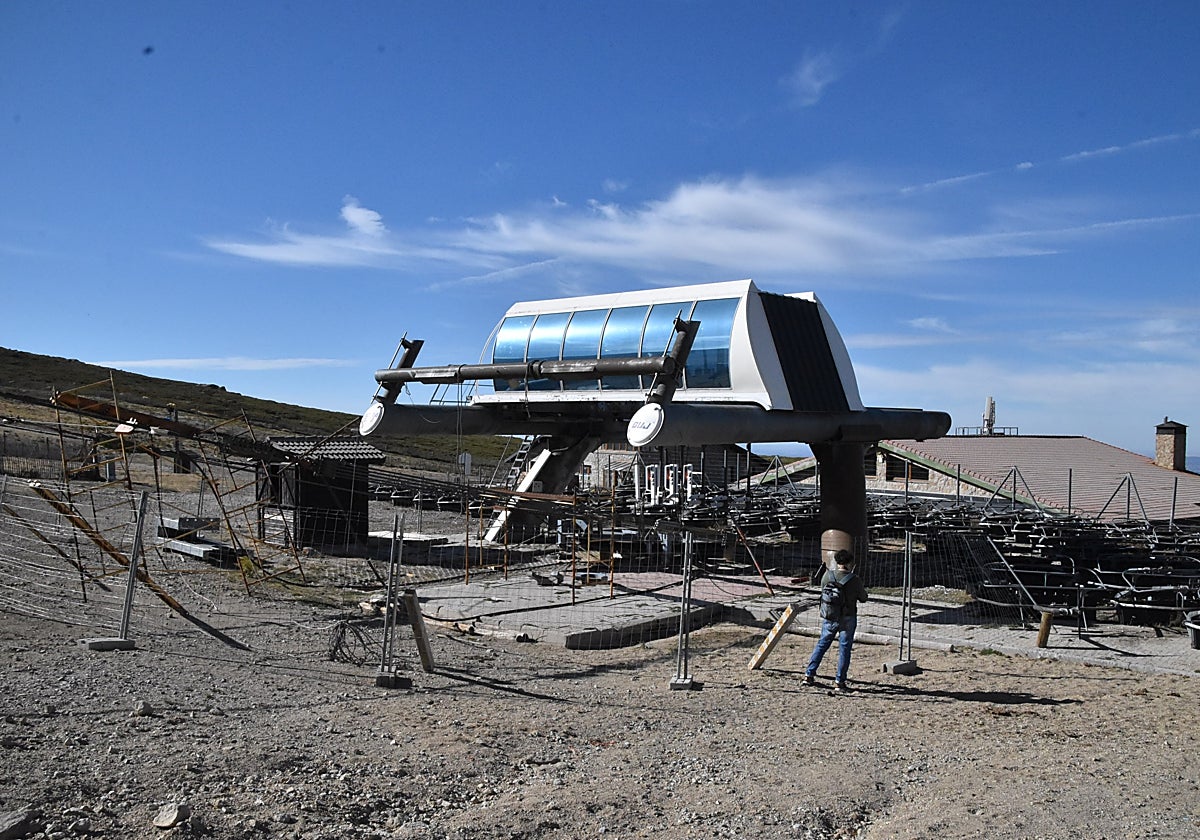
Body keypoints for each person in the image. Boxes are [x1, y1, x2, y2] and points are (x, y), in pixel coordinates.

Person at [804, 549, 869, 692]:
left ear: (836, 561)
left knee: (822, 644)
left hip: (830, 616)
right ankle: (839, 681)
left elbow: (823, 592)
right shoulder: (854, 579)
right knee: (844, 649)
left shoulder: (827, 576)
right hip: (848, 617)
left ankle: (809, 674)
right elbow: (863, 598)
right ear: (850, 563)